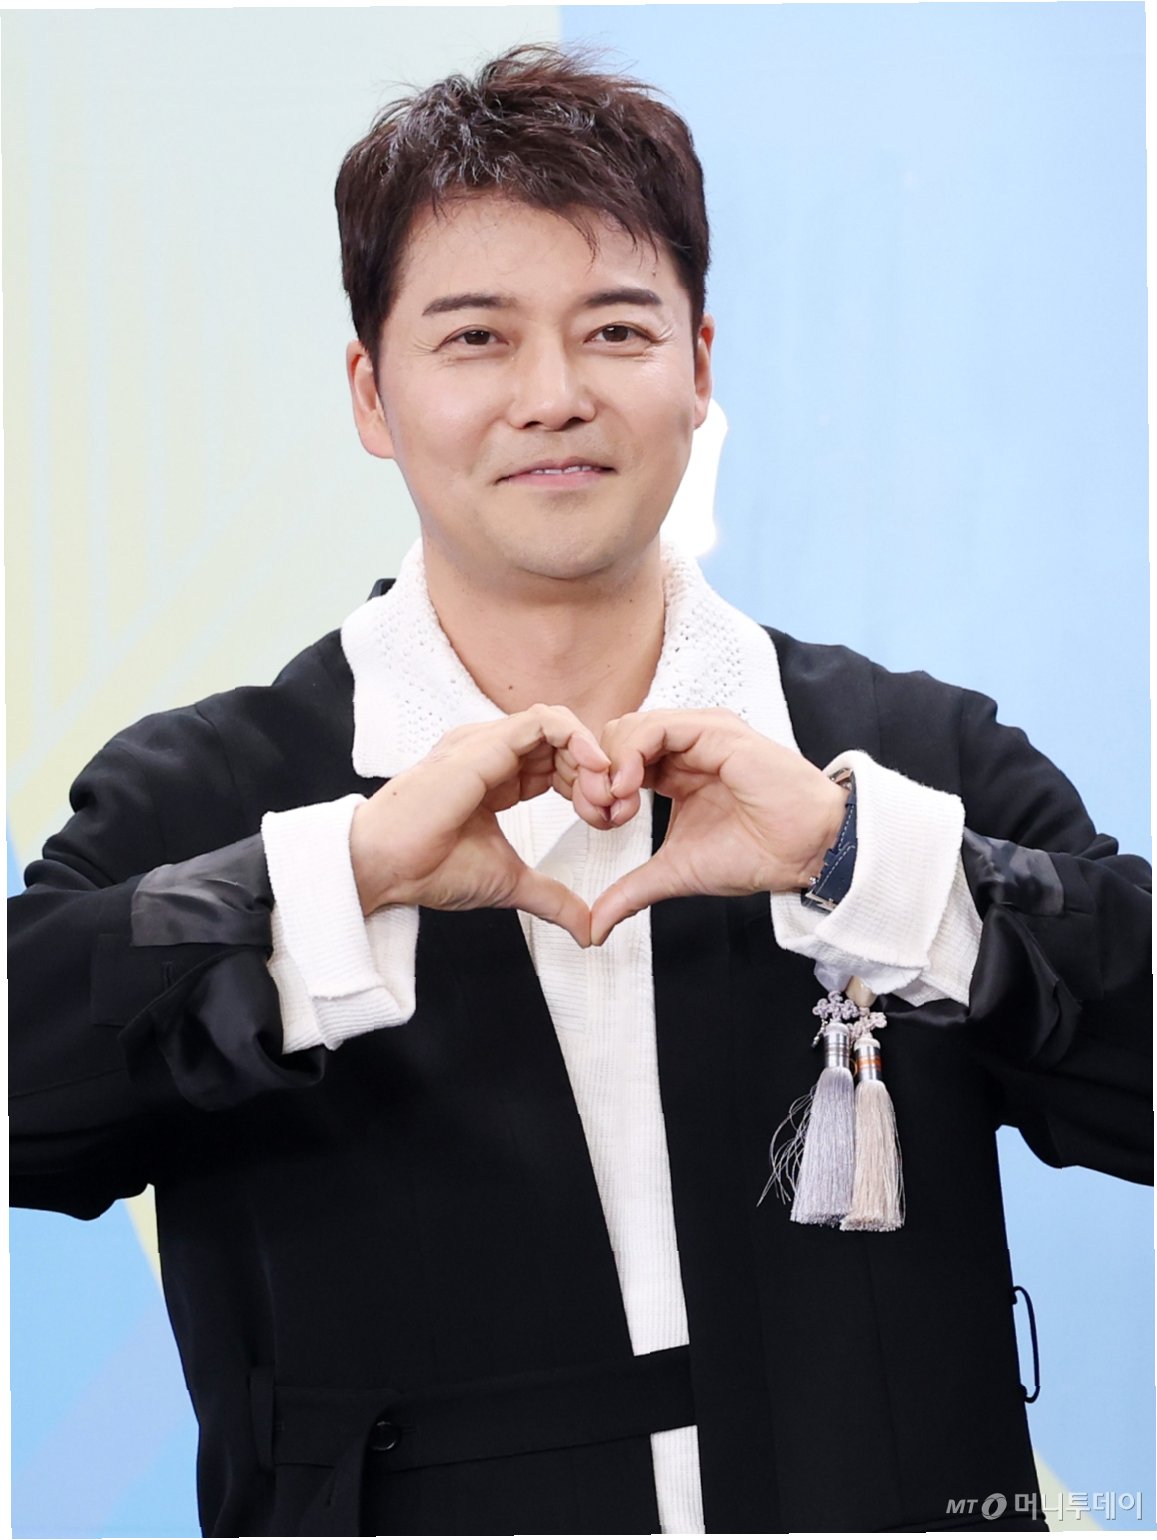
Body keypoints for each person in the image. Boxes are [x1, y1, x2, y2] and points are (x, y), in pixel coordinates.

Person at [9, 44, 1151, 1538]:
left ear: (699, 368)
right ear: (371, 392)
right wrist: (340, 881)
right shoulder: (207, 792)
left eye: (616, 329)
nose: (551, 397)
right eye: (475, 338)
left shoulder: (901, 753)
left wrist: (856, 860)